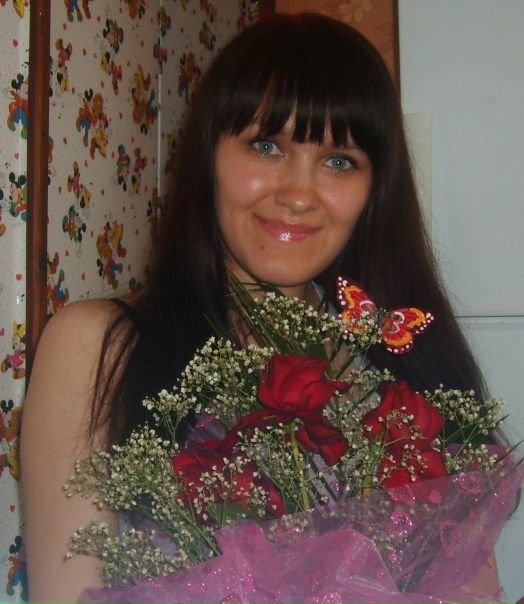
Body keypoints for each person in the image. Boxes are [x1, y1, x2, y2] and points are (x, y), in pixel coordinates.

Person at [21, 13, 493, 603]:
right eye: (266, 146)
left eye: (340, 161)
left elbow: (470, 583)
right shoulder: (100, 346)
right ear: (209, 157)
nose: (297, 194)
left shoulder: (401, 369)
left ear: (375, 189)